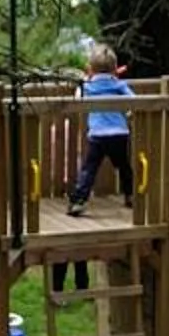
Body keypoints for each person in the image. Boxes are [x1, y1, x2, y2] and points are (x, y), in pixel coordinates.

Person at [67, 45, 134, 214]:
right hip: (119, 133)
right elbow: (134, 101)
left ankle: (79, 201)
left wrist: (83, 81)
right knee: (124, 166)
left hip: (97, 134)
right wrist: (128, 113)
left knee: (89, 168)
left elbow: (77, 99)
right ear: (114, 68)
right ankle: (131, 195)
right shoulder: (119, 85)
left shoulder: (88, 87)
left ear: (90, 69)